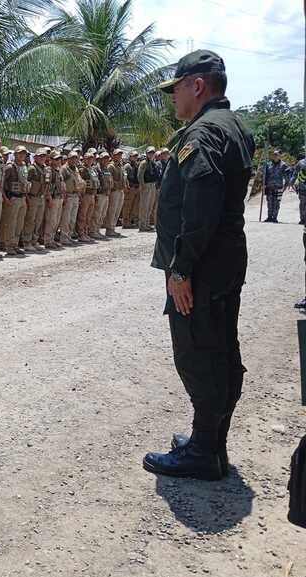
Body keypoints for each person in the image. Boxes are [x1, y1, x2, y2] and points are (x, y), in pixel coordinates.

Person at [143, 49, 255, 480]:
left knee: (198, 353)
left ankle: (205, 452)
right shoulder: (234, 126)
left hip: (202, 266)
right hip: (224, 260)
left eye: (176, 89)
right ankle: (210, 442)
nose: (173, 98)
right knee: (221, 349)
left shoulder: (203, 132)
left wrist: (181, 269)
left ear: (197, 85)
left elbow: (201, 205)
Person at [0, 145, 30, 255]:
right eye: (20, 153)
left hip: (22, 197)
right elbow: (2, 183)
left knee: (19, 224)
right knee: (11, 223)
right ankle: (9, 246)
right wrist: (5, 198)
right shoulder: (10, 167)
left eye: (24, 153)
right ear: (15, 154)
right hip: (13, 197)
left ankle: (15, 244)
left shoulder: (24, 166)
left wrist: (26, 198)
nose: (22, 155)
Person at [23, 148, 50, 251]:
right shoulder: (31, 169)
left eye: (44, 156)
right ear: (35, 157)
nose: (42, 158)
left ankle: (34, 240)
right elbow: (26, 184)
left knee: (38, 221)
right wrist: (27, 198)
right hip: (32, 197)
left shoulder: (45, 169)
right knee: (30, 220)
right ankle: (27, 242)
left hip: (41, 197)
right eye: (40, 156)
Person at [42, 151, 66, 249]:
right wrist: (49, 198)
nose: (58, 161)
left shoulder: (58, 170)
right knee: (51, 220)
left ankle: (52, 239)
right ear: (51, 160)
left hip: (59, 198)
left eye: (59, 159)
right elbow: (47, 186)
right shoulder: (49, 170)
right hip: (53, 198)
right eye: (56, 159)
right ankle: (48, 240)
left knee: (56, 221)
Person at [260, 149, 291, 223]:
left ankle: (274, 217)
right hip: (269, 187)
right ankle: (269, 217)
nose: (275, 156)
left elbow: (287, 177)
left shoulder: (283, 165)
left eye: (276, 155)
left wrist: (285, 187)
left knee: (276, 203)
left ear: (280, 156)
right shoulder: (268, 164)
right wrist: (263, 185)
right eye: (274, 155)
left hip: (279, 187)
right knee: (269, 203)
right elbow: (264, 175)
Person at [58, 151, 81, 245]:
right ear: (68, 159)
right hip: (68, 196)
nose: (74, 160)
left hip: (75, 195)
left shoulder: (76, 169)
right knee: (66, 219)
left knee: (72, 219)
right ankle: (64, 237)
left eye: (75, 158)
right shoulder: (64, 169)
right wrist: (63, 196)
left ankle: (69, 235)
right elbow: (61, 183)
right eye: (72, 158)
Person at [76, 151, 97, 243]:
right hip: (85, 195)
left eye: (91, 158)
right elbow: (80, 183)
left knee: (89, 216)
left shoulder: (92, 169)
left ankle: (86, 232)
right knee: (82, 215)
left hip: (92, 194)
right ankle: (81, 234)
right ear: (84, 159)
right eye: (88, 159)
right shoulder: (82, 169)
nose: (90, 160)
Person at [91, 151, 113, 239]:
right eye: (104, 158)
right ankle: (93, 231)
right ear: (100, 159)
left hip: (106, 194)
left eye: (107, 158)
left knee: (102, 214)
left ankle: (97, 230)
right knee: (97, 213)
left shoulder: (106, 169)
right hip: (99, 194)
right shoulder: (96, 169)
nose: (106, 160)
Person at [105, 149, 126, 237]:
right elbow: (109, 179)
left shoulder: (120, 166)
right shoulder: (111, 166)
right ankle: (109, 229)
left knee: (117, 210)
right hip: (114, 191)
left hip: (121, 190)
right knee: (112, 210)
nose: (119, 156)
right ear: (113, 156)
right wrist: (117, 185)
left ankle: (113, 228)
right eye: (118, 154)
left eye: (120, 155)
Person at [137, 147, 159, 231]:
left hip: (152, 185)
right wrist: (142, 185)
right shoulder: (144, 163)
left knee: (150, 205)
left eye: (152, 153)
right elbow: (140, 175)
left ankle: (147, 223)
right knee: (144, 206)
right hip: (146, 185)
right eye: (150, 153)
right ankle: (142, 225)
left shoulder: (152, 163)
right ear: (146, 154)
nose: (151, 154)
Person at [122, 150, 141, 228]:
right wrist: (126, 187)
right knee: (127, 206)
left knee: (134, 206)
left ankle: (130, 221)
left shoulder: (136, 165)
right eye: (133, 156)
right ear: (130, 157)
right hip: (130, 188)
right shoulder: (127, 166)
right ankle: (125, 222)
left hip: (136, 187)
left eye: (136, 156)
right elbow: (124, 177)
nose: (135, 158)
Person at [293, 152, 306, 225]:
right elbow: (295, 173)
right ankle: (303, 219)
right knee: (302, 203)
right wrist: (291, 182)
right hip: (302, 187)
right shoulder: (300, 163)